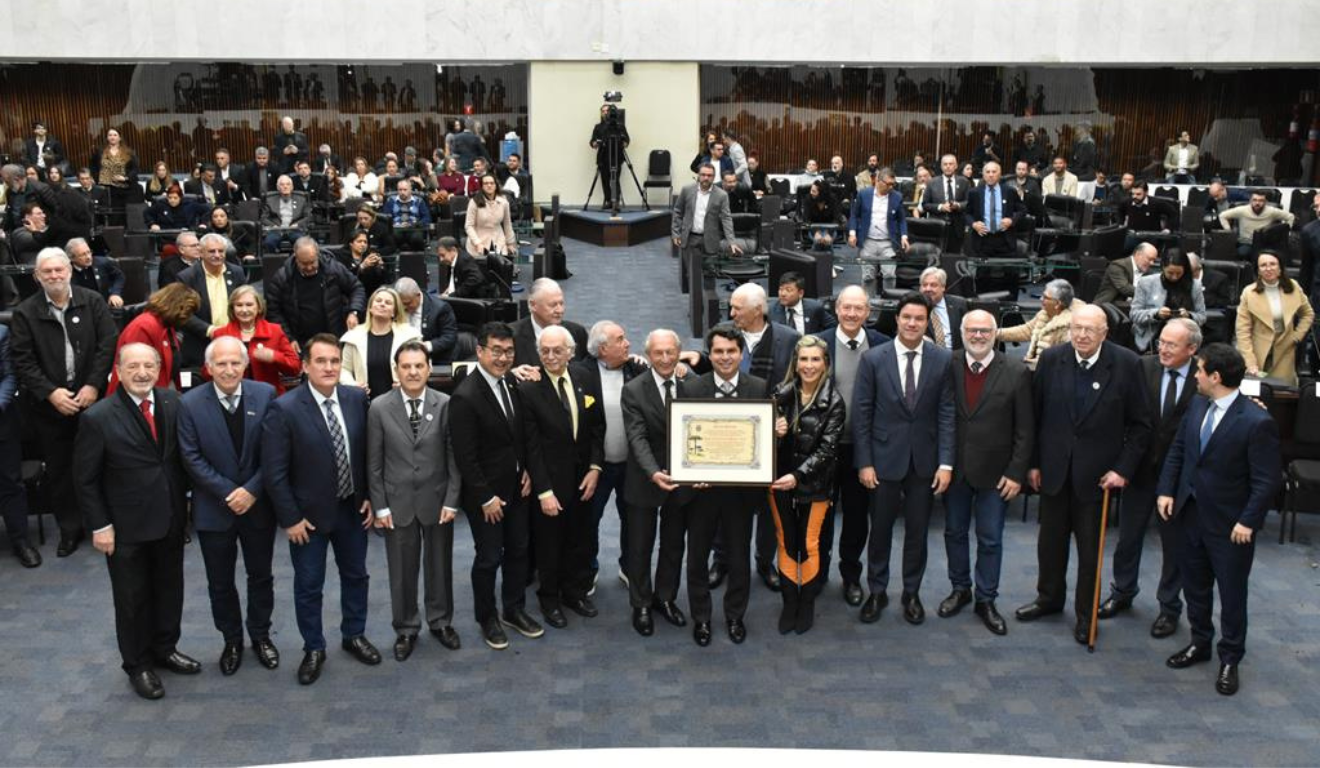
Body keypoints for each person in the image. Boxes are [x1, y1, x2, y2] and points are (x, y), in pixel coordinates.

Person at [1016, 304, 1152, 645]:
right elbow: (1036, 415)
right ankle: (1049, 599)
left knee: (1090, 553)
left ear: (1105, 332)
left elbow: (1141, 426)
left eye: (1090, 329)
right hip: (1053, 472)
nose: (1082, 335)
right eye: (1077, 328)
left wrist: (1122, 469)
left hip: (1097, 480)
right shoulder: (1052, 359)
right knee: (1050, 545)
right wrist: (1033, 463)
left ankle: (1085, 615)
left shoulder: (1127, 364)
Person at [73, 343, 198, 700]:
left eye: (149, 365)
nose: (142, 372)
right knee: (132, 599)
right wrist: (99, 526)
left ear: (159, 367)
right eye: (133, 367)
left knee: (170, 589)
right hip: (124, 527)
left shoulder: (174, 402)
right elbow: (85, 479)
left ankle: (165, 648)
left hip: (171, 520)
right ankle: (138, 664)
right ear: (119, 370)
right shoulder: (98, 417)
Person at [1157, 343, 1281, 697]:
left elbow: (1265, 480)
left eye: (1199, 370)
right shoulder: (1197, 405)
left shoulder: (1257, 422)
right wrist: (1167, 490)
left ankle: (1230, 658)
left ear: (1215, 377)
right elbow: (1180, 450)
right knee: (1195, 586)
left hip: (1231, 526)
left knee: (1231, 594)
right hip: (1189, 516)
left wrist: (1248, 521)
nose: (1194, 375)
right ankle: (1200, 642)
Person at [262, 334, 381, 685]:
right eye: (321, 361)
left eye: (334, 361)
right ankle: (314, 647)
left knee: (357, 576)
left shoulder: (357, 398)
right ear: (305, 365)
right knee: (309, 586)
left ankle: (354, 634)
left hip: (351, 509)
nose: (329, 368)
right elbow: (274, 472)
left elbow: (366, 454)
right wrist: (290, 518)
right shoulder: (284, 408)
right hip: (307, 519)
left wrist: (370, 496)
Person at [177, 337, 280, 676]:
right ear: (208, 368)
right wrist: (229, 492)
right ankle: (232, 639)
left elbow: (276, 451)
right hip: (214, 510)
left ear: (246, 364)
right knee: (220, 582)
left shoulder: (265, 395)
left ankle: (261, 635)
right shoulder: (190, 403)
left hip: (258, 506)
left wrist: (251, 490)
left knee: (260, 576)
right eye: (221, 363)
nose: (229, 369)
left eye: (235, 362)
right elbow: (191, 458)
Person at [853, 291, 955, 626]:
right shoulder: (873, 359)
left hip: (924, 462)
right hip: (882, 460)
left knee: (917, 532)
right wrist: (864, 462)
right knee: (879, 530)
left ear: (928, 323)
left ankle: (911, 593)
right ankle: (877, 591)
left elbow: (946, 414)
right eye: (907, 317)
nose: (912, 323)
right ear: (896, 319)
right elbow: (862, 413)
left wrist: (945, 463)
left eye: (920, 319)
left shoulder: (942, 359)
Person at [9, 248, 118, 555]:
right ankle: (70, 530)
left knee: (101, 464)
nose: (54, 276)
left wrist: (94, 386)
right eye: (48, 272)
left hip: (93, 403)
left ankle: (103, 523)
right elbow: (23, 361)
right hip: (49, 408)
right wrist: (51, 393)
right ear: (37, 276)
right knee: (60, 470)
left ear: (70, 270)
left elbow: (107, 345)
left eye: (59, 270)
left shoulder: (92, 300)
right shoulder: (25, 312)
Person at [1097, 319, 1201, 639]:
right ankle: (1122, 592)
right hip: (1139, 471)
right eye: (1162, 342)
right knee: (1128, 538)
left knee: (1174, 546)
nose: (1163, 349)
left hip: (1180, 478)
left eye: (1172, 344)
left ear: (1192, 349)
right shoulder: (1143, 367)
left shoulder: (1204, 375)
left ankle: (1169, 608)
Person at [366, 340, 464, 662]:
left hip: (437, 502)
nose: (412, 372)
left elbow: (454, 456)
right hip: (397, 504)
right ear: (397, 370)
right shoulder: (380, 407)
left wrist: (452, 500)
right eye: (406, 366)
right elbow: (374, 463)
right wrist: (380, 506)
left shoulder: (446, 403)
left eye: (418, 366)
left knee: (440, 567)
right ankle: (406, 628)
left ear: (428, 369)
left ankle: (441, 622)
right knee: (402, 571)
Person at [449, 322, 544, 650]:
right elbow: (466, 456)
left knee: (519, 550)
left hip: (518, 488)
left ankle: (513, 609)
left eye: (509, 351)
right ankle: (486, 616)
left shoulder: (512, 385)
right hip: (486, 498)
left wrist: (526, 470)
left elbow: (518, 436)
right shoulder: (465, 396)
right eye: (497, 351)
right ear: (480, 351)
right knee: (489, 557)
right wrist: (485, 497)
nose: (503, 358)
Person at [938, 310, 1033, 636]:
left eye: (984, 330)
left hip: (997, 474)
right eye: (972, 330)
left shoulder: (1017, 371)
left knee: (990, 539)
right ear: (962, 332)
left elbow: (1025, 429)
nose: (978, 336)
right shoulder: (947, 364)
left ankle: (986, 599)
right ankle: (960, 588)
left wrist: (1017, 473)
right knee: (953, 532)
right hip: (956, 470)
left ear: (995, 334)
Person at [683, 325, 769, 646]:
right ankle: (702, 618)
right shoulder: (692, 388)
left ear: (742, 353)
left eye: (731, 351)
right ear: (710, 354)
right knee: (697, 558)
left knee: (738, 558)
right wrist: (690, 472)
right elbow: (683, 440)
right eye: (718, 352)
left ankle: (735, 615)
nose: (725, 357)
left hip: (740, 492)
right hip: (701, 491)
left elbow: (760, 440)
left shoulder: (758, 387)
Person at [521, 325, 606, 629]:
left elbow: (598, 428)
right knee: (549, 545)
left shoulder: (585, 377)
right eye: (545, 350)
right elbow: (530, 446)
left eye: (558, 350)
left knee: (580, 540)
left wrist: (596, 468)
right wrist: (543, 491)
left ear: (571, 352)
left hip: (584, 480)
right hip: (550, 485)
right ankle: (550, 599)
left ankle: (575, 592)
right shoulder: (529, 388)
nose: (551, 356)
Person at [814, 286, 890, 606]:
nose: (852, 314)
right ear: (837, 308)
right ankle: (818, 575)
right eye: (847, 307)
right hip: (823, 447)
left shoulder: (883, 345)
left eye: (859, 309)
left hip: (862, 450)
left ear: (868, 312)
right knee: (821, 514)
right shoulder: (818, 342)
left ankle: (850, 575)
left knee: (857, 517)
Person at [619, 328, 695, 637]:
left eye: (670, 352)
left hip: (683, 483)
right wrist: (654, 472)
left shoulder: (692, 385)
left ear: (679, 353)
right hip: (645, 481)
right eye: (658, 353)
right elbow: (636, 437)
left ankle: (665, 598)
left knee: (674, 545)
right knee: (640, 548)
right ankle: (640, 604)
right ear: (648, 355)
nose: (665, 358)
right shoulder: (634, 389)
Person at [770, 335, 845, 635]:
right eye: (804, 359)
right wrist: (775, 433)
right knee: (786, 540)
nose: (809, 365)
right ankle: (790, 601)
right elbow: (760, 442)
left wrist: (798, 476)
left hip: (814, 484)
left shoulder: (834, 402)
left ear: (825, 364)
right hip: (777, 482)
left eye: (816, 359)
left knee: (809, 543)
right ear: (795, 363)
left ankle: (807, 602)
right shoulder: (779, 395)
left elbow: (828, 450)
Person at [576, 321, 649, 587]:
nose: (628, 343)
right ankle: (588, 568)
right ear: (603, 348)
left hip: (631, 465)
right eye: (620, 339)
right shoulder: (579, 373)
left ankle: (630, 568)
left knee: (633, 520)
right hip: (596, 467)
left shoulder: (637, 368)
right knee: (589, 520)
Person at [265, 238, 365, 349]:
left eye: (312, 262)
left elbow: (356, 288)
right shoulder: (283, 277)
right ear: (296, 258)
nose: (309, 267)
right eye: (304, 263)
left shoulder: (333, 269)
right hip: (301, 343)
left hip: (334, 338)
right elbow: (273, 310)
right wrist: (288, 338)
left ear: (318, 255)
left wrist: (354, 312)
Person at [673, 164, 742, 326]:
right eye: (703, 175)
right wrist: (676, 233)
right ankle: (696, 308)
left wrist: (731, 241)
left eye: (709, 175)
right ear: (698, 175)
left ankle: (710, 309)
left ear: (714, 177)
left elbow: (726, 218)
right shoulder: (687, 190)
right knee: (692, 276)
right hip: (690, 238)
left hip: (710, 239)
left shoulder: (721, 195)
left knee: (710, 274)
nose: (706, 178)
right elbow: (677, 212)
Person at [1234, 250, 1315, 385]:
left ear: (1280, 268)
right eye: (1263, 265)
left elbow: (1308, 314)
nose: (1268, 268)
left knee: (1284, 396)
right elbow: (1242, 332)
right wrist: (1250, 362)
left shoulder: (1293, 287)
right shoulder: (1249, 293)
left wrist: (1296, 337)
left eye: (1273, 264)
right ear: (1258, 271)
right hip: (1258, 353)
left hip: (1285, 352)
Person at [107, 283, 201, 393]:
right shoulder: (144, 326)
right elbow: (134, 372)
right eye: (188, 312)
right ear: (177, 306)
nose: (188, 318)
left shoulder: (166, 326)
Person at [0, 324, 42, 567]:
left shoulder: (2, 332)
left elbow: (9, 376)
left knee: (11, 484)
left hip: (2, 422)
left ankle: (21, 541)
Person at [175, 232, 248, 367]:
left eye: (221, 251)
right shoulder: (187, 277)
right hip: (200, 343)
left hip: (234, 340)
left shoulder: (237, 272)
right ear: (201, 253)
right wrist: (210, 331)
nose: (217, 255)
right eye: (211, 251)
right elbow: (183, 313)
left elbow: (246, 302)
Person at [211, 285, 301, 394]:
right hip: (232, 396)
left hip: (268, 397)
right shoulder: (221, 334)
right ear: (232, 308)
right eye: (239, 305)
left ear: (259, 307)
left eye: (249, 305)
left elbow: (295, 368)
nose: (244, 310)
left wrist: (274, 357)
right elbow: (207, 371)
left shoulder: (274, 331)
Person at [340, 287, 423, 399]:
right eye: (378, 301)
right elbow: (344, 368)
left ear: (394, 311)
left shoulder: (409, 336)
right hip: (365, 402)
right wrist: (354, 386)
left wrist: (407, 383)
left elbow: (424, 366)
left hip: (401, 401)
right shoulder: (354, 337)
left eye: (388, 303)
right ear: (370, 308)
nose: (382, 304)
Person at [1131, 249, 1207, 353]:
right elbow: (1134, 314)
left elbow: (1202, 316)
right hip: (1151, 339)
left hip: (1183, 339)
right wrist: (1156, 314)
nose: (1174, 277)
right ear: (1162, 268)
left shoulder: (1195, 286)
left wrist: (1189, 316)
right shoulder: (1146, 283)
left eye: (1179, 273)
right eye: (1170, 273)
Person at [996, 278, 1082, 369]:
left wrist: (1040, 362)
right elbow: (1027, 330)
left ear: (1057, 303)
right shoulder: (1046, 312)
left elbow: (1067, 359)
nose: (1041, 299)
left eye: (1045, 297)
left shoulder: (1071, 326)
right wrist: (995, 333)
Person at [847, 167, 909, 287]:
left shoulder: (897, 197)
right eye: (888, 184)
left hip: (888, 243)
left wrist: (904, 236)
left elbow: (902, 219)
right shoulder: (864, 194)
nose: (891, 187)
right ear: (878, 181)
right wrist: (852, 234)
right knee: (868, 277)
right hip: (868, 242)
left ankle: (889, 303)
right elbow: (854, 215)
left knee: (890, 275)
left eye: (893, 184)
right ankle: (868, 304)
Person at [510, 277, 590, 367]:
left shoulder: (577, 333)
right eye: (553, 305)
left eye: (561, 303)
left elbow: (588, 370)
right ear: (533, 305)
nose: (560, 310)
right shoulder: (512, 336)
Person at [964, 161, 1025, 260]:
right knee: (982, 274)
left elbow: (1022, 210)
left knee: (1009, 274)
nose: (991, 175)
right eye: (987, 172)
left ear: (1000, 174)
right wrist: (973, 224)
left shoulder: (1009, 191)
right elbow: (967, 213)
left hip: (1005, 239)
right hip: (983, 239)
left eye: (994, 172)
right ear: (983, 175)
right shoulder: (974, 192)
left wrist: (1012, 220)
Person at [394, 277, 459, 365]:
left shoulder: (440, 308)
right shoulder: (395, 307)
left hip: (435, 360)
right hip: (402, 358)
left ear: (418, 295)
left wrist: (425, 346)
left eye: (407, 303)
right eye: (401, 304)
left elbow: (449, 337)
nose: (404, 307)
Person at [1219, 191, 1295, 258]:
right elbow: (1222, 215)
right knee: (1242, 253)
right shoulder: (1242, 210)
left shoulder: (1271, 211)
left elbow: (1291, 217)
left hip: (1265, 243)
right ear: (1250, 201)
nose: (1257, 203)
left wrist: (1284, 234)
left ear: (1265, 202)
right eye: (1254, 200)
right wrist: (1228, 231)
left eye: (1261, 200)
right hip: (1246, 243)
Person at [1094, 242, 1158, 308]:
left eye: (1154, 260)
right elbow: (1124, 288)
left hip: (1132, 308)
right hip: (1109, 306)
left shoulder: (1148, 271)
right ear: (1138, 254)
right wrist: (1147, 293)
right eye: (1150, 259)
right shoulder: (1117, 265)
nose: (1152, 263)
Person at [590, 105, 631, 209]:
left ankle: (616, 201)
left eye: (607, 110)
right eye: (602, 111)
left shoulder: (620, 126)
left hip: (616, 157)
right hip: (603, 158)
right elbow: (592, 141)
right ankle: (608, 200)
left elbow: (627, 140)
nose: (605, 112)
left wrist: (624, 143)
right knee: (605, 180)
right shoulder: (598, 127)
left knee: (615, 179)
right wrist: (595, 143)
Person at [465, 174, 516, 257]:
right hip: (478, 243)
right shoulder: (474, 202)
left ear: (496, 185)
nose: (489, 185)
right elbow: (469, 226)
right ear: (481, 186)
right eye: (486, 183)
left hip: (499, 241)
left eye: (492, 183)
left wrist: (510, 243)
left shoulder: (503, 202)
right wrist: (477, 243)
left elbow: (507, 224)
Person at [770, 271, 833, 336]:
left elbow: (833, 327)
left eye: (788, 290)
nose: (783, 294)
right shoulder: (770, 310)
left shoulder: (815, 308)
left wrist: (816, 339)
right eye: (781, 289)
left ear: (800, 293)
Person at [919, 267, 967, 351]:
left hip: (955, 356)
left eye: (933, 285)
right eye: (924, 285)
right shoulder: (915, 306)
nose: (928, 289)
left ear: (943, 287)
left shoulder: (958, 304)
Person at [261, 175, 310, 253]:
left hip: (294, 229)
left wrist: (297, 225)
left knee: (301, 243)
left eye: (288, 184)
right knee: (269, 242)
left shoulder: (301, 199)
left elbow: (308, 216)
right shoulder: (270, 199)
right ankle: (277, 260)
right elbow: (263, 217)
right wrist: (273, 226)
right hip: (276, 230)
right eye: (282, 184)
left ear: (292, 187)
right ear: (278, 187)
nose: (285, 187)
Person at [382, 179, 432, 251]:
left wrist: (417, 224)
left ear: (410, 190)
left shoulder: (419, 200)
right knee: (391, 237)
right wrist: (393, 224)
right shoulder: (391, 201)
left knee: (416, 239)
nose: (402, 192)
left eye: (405, 190)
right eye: (400, 190)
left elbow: (427, 217)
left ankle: (417, 259)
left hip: (414, 228)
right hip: (396, 228)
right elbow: (386, 218)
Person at [339, 230, 391, 296]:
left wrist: (380, 268)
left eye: (365, 242)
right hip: (348, 295)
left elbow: (383, 282)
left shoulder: (370, 256)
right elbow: (344, 279)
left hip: (368, 294)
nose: (363, 244)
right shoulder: (341, 257)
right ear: (351, 243)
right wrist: (362, 266)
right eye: (359, 241)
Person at [802, 180, 839, 247]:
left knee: (827, 242)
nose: (811, 193)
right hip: (813, 228)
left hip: (830, 228)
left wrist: (829, 233)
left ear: (822, 193)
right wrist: (816, 232)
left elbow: (836, 218)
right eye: (811, 190)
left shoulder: (833, 199)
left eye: (814, 191)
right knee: (818, 242)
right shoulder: (808, 199)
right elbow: (806, 219)